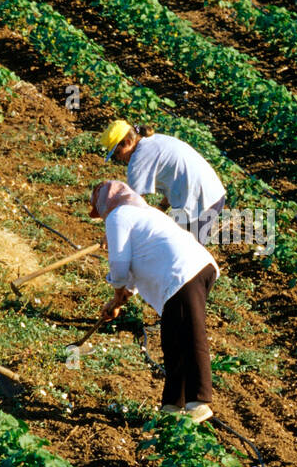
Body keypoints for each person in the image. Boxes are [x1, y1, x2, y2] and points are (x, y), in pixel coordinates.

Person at [91, 180, 220, 423]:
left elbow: (118, 265)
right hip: (190, 271)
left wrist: (118, 295)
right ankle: (172, 407)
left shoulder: (118, 216)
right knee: (172, 341)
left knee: (191, 333)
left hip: (182, 273)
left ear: (104, 204)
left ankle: (199, 402)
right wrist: (118, 299)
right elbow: (134, 267)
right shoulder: (143, 213)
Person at [99, 119, 227, 246]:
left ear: (128, 142)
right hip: (211, 193)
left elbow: (130, 204)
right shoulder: (154, 140)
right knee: (177, 248)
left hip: (200, 202)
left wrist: (112, 233)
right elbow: (175, 176)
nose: (119, 158)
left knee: (185, 252)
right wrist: (162, 207)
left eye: (118, 153)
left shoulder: (138, 159)